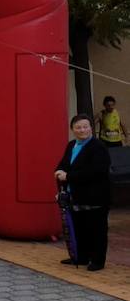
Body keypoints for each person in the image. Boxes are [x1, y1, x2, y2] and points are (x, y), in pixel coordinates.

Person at [55, 114, 111, 271]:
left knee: (97, 230)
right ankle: (81, 256)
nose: (82, 130)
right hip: (76, 196)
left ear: (91, 128)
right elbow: (64, 163)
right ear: (73, 129)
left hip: (96, 197)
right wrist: (59, 170)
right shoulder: (72, 145)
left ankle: (98, 261)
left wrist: (69, 176)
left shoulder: (98, 147)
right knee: (80, 228)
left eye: (85, 126)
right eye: (78, 127)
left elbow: (96, 171)